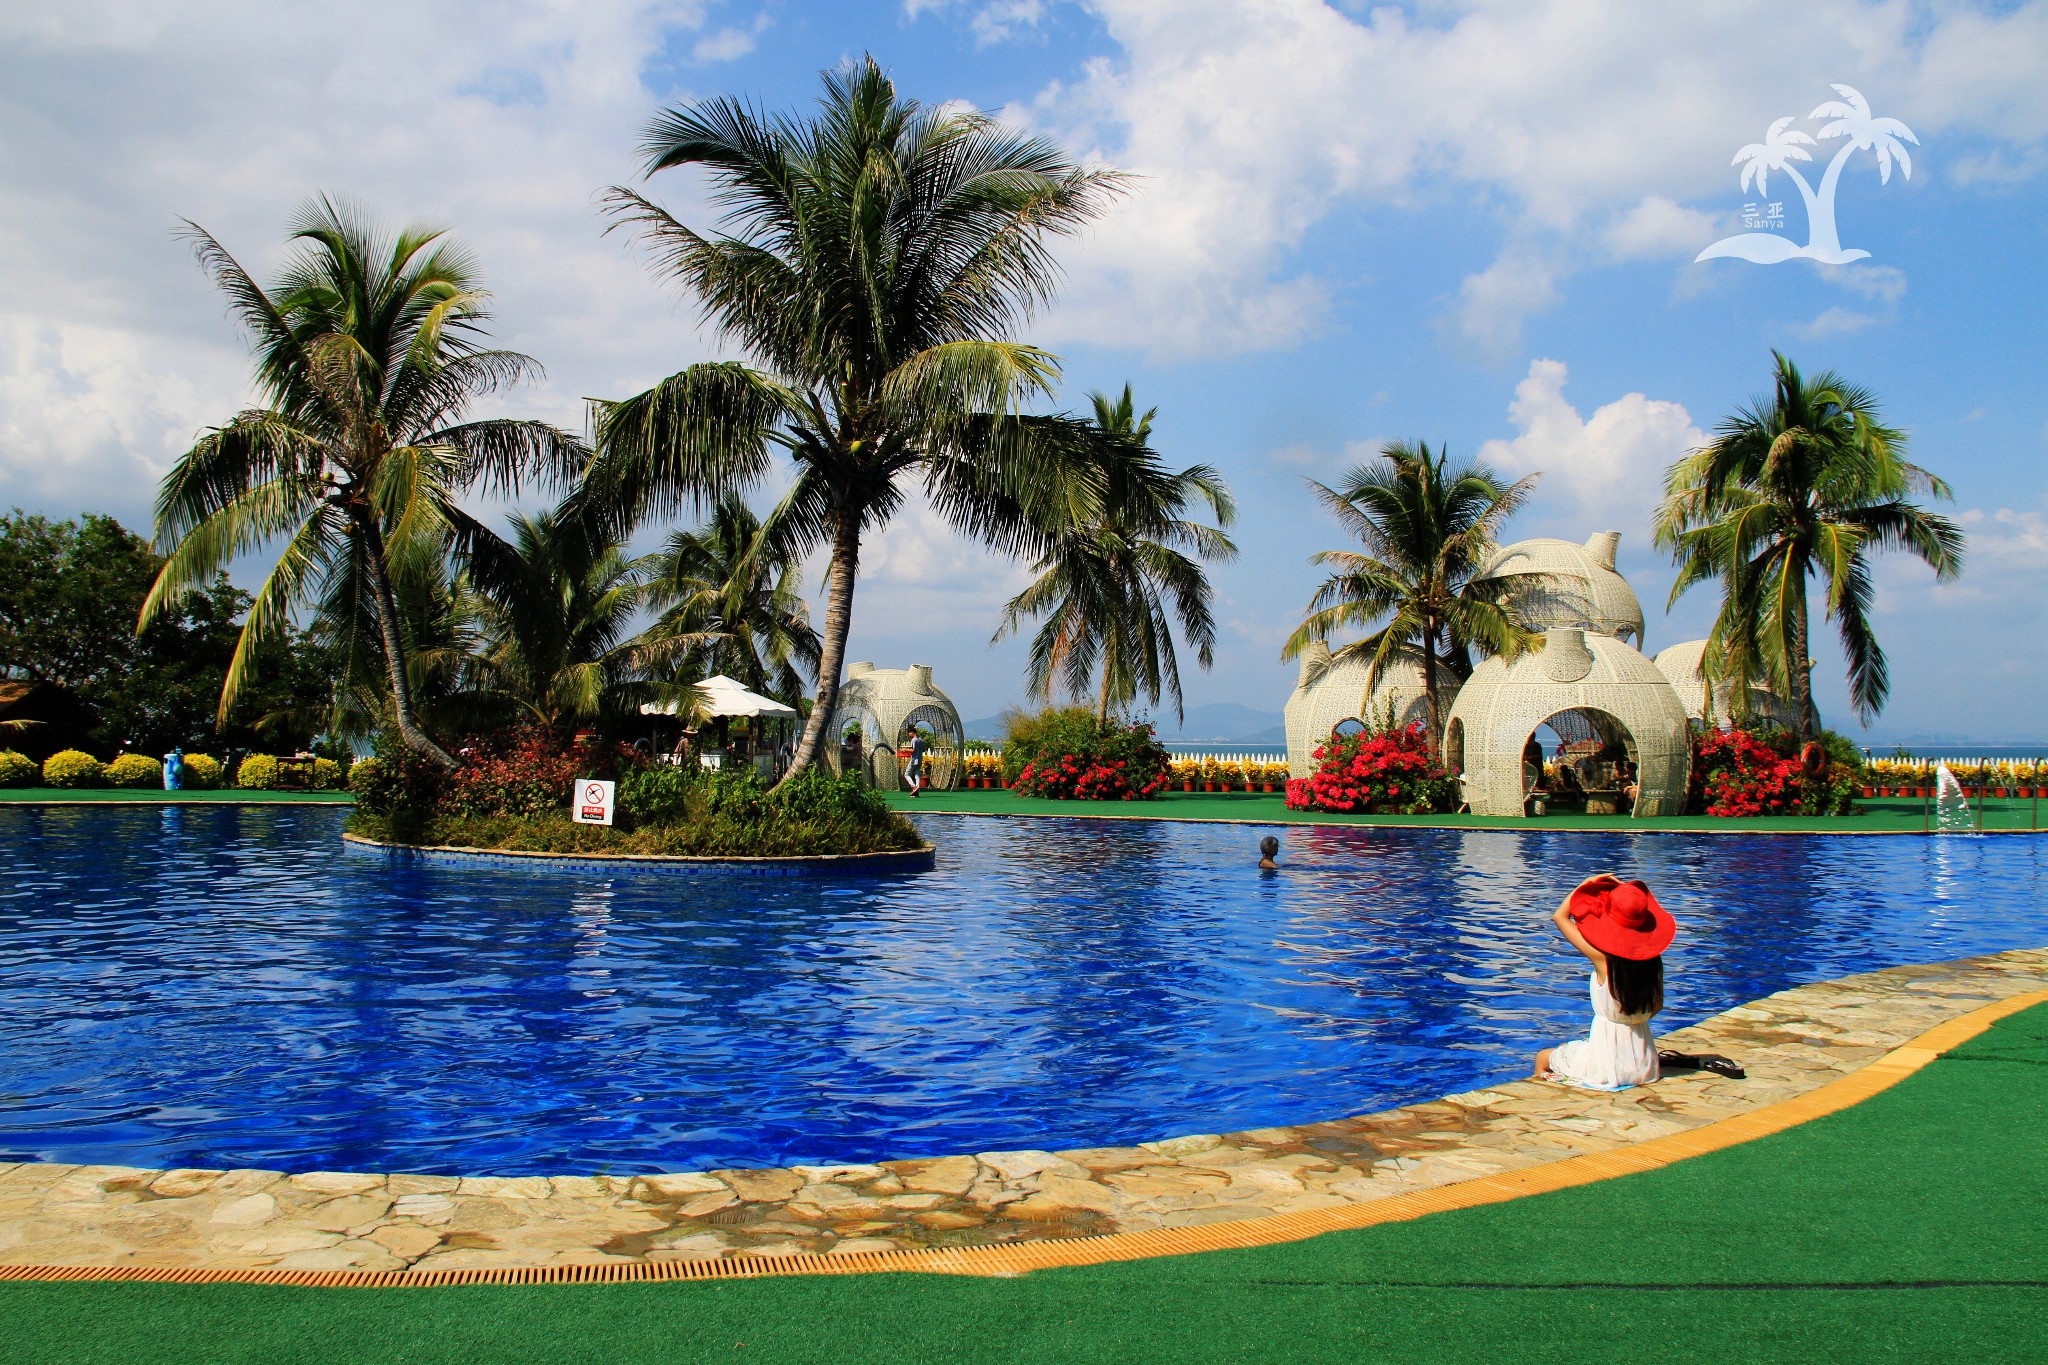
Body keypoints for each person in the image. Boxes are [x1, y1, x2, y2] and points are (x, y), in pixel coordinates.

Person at [1533, 873, 1675, 1090]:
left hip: (1605, 1064)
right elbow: (1656, 1007)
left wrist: (1585, 884)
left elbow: (1560, 917)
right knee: (1571, 1050)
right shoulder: (1653, 963)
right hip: (1644, 1064)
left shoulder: (1603, 960)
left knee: (1544, 1058)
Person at [905, 728, 927, 797]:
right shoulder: (921, 740)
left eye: (909, 733)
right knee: (917, 775)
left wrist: (905, 750)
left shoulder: (914, 740)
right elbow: (922, 749)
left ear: (912, 732)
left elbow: (913, 750)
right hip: (920, 759)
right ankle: (917, 791)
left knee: (906, 774)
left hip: (914, 760)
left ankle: (914, 787)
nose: (908, 734)